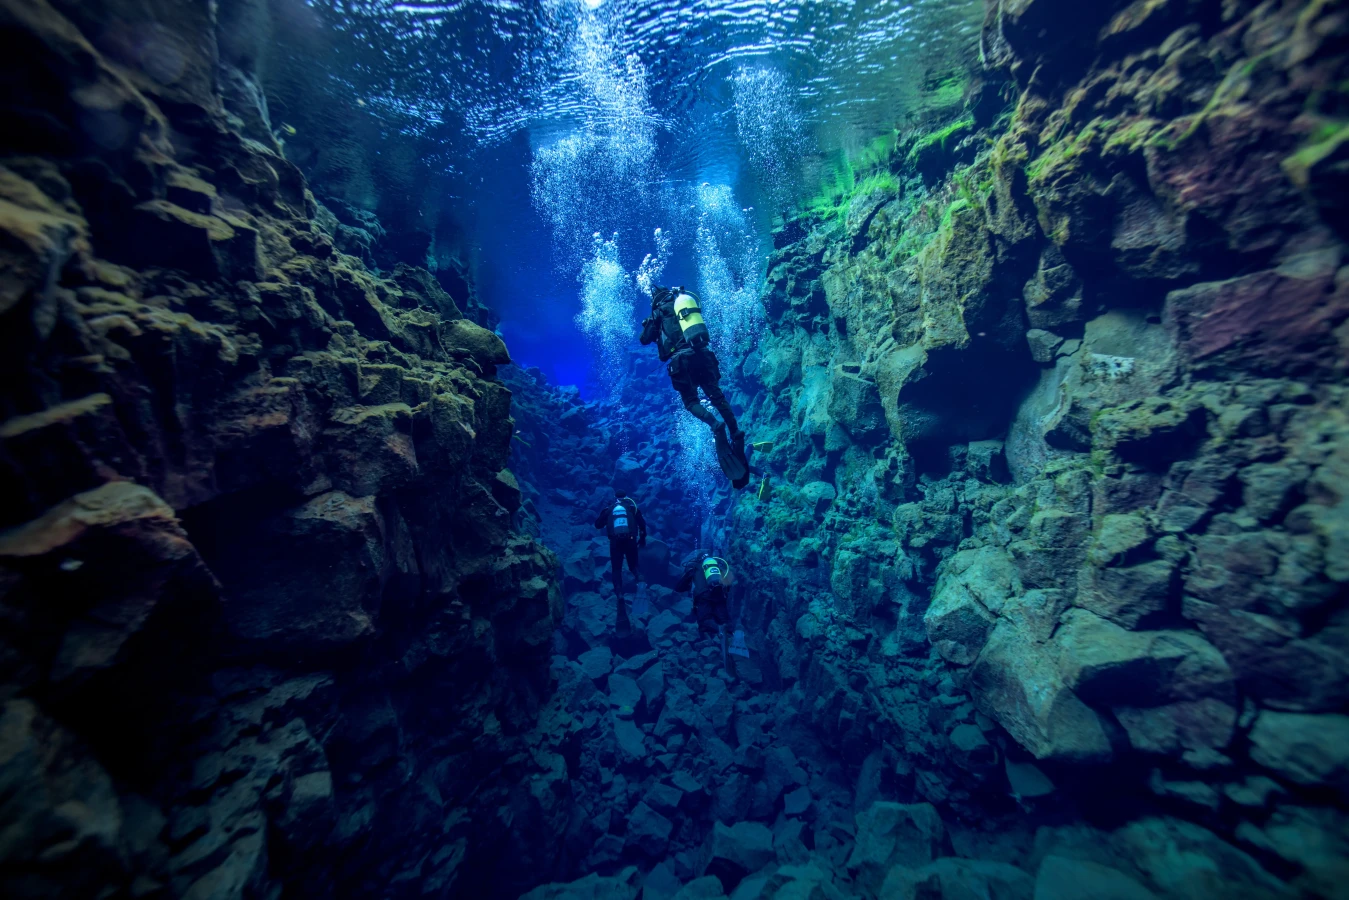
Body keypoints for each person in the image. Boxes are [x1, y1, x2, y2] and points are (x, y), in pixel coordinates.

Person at [640, 285, 742, 441]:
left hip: (682, 361)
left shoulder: (658, 314)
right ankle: (735, 431)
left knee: (690, 401)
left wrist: (648, 322)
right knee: (717, 396)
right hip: (703, 355)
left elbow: (644, 339)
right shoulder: (683, 306)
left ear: (655, 301)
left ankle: (715, 425)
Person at [594, 489, 647, 636]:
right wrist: (642, 539)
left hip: (615, 543)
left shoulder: (609, 509)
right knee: (634, 567)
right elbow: (643, 525)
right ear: (627, 497)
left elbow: (597, 525)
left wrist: (605, 519)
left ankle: (620, 596)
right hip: (631, 541)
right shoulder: (632, 508)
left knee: (616, 570)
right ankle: (640, 582)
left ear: (615, 498)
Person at [674, 550, 733, 638]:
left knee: (704, 622)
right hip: (719, 596)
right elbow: (728, 584)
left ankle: (719, 630)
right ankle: (734, 635)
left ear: (698, 560)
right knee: (725, 621)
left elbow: (679, 588)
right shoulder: (717, 568)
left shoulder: (695, 567)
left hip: (703, 598)